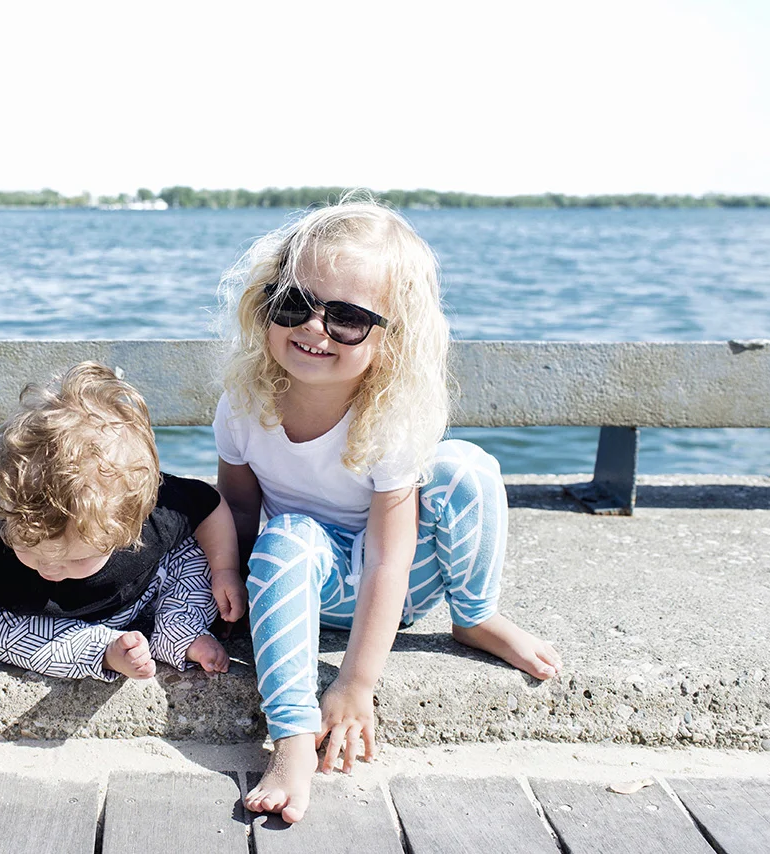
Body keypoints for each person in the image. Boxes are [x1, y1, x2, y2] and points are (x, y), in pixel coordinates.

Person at [214, 197, 563, 823]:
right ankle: (291, 739)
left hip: (396, 586)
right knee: (288, 532)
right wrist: (230, 591)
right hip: (305, 579)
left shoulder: (391, 421)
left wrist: (355, 684)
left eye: (347, 318)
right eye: (293, 303)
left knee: (466, 467)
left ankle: (474, 616)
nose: (314, 329)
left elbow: (386, 561)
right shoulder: (245, 403)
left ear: (390, 336)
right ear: (265, 305)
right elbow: (239, 511)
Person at [0, 361, 247, 774]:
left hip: (147, 590)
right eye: (32, 553)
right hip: (55, 626)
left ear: (131, 524)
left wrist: (226, 571)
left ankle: (177, 634)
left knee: (195, 559)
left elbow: (210, 507)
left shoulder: (157, 511)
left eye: (75, 558)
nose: (50, 569)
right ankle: (105, 652)